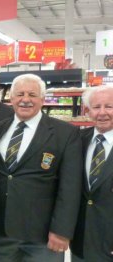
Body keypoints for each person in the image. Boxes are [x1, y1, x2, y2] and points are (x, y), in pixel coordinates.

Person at [0, 73, 82, 262]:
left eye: (32, 94)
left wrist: (62, 230)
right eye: (20, 94)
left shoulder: (65, 133)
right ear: (11, 98)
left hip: (43, 236)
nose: (25, 100)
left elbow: (70, 187)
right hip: (0, 231)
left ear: (42, 99)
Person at [71, 86, 113, 262]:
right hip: (81, 242)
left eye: (109, 106)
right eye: (96, 107)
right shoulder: (76, 140)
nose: (102, 113)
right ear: (88, 111)